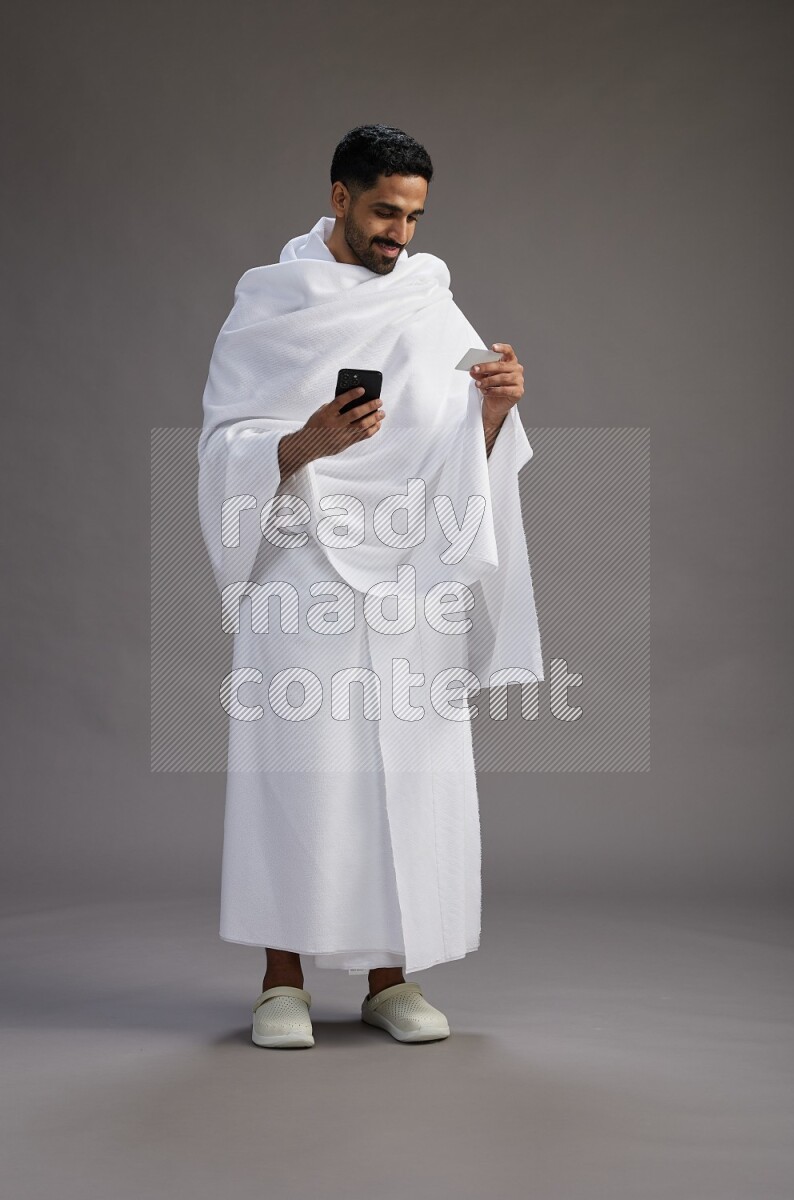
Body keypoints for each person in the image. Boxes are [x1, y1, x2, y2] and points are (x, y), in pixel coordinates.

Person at [197, 123, 542, 1048]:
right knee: (297, 770)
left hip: (407, 575)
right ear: (340, 197)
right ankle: (281, 983)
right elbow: (224, 446)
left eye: (416, 216)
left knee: (408, 769)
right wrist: (312, 443)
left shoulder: (432, 305)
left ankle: (393, 977)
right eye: (386, 211)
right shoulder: (270, 306)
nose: (401, 234)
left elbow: (454, 460)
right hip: (302, 565)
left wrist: (497, 413)